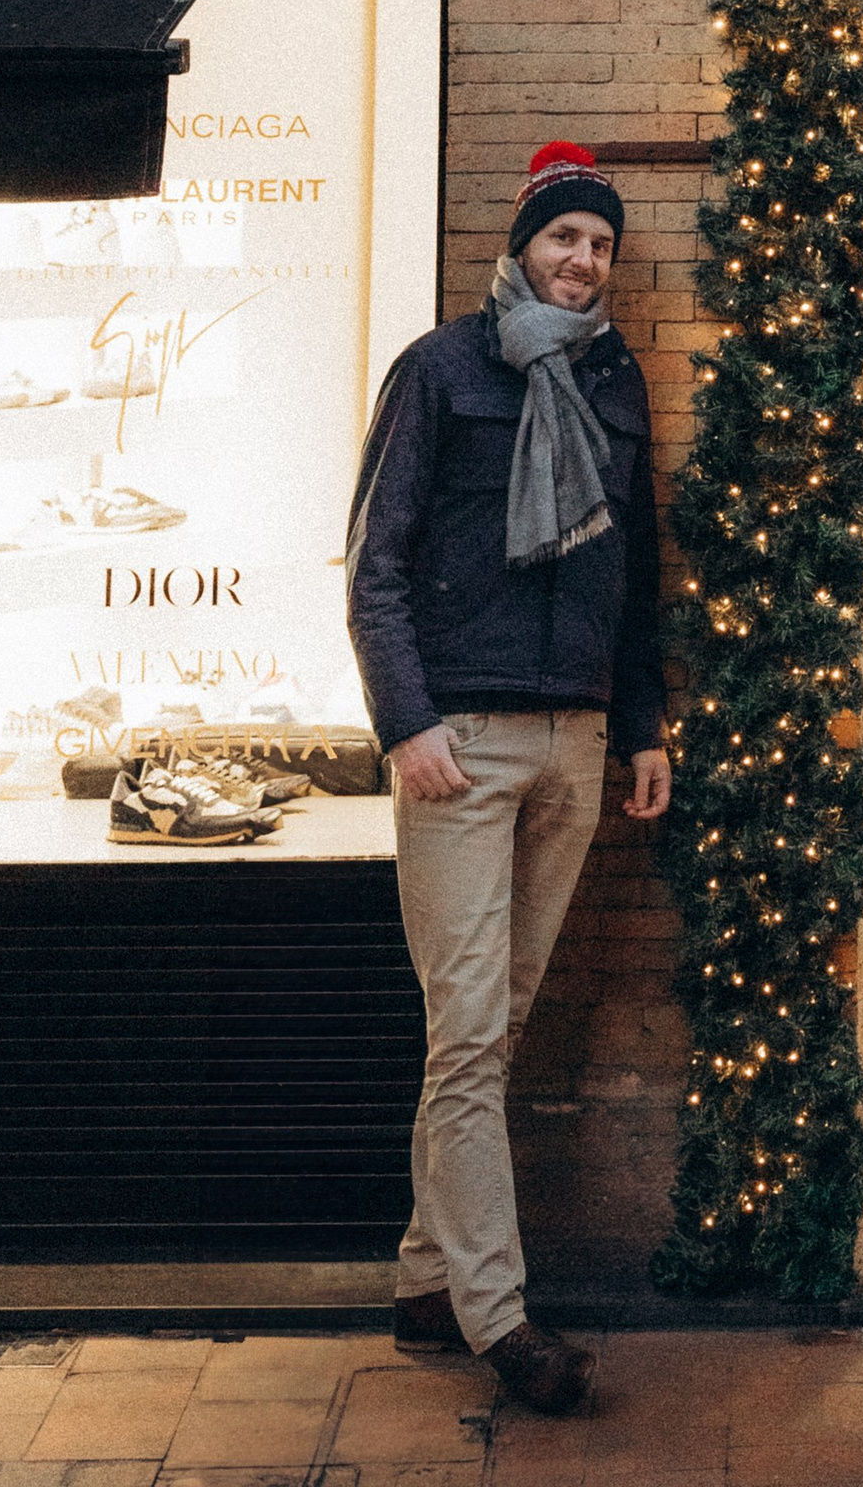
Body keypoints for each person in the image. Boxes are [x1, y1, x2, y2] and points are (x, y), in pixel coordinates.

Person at [347, 142, 671, 1416]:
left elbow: (633, 575)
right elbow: (375, 563)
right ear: (523, 246)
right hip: (460, 749)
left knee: (492, 1025)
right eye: (564, 238)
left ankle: (426, 1279)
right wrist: (406, 723)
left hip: (574, 743)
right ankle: (500, 1316)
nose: (583, 260)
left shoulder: (614, 382)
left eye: (600, 244)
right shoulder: (440, 370)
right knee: (471, 1032)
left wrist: (640, 726)